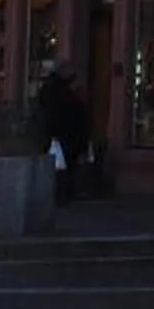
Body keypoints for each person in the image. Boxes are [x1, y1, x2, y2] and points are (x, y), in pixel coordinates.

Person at [34, 65, 90, 204]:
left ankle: (59, 193)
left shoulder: (49, 90)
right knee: (65, 165)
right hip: (65, 133)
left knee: (57, 164)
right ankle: (63, 193)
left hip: (56, 132)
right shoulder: (63, 93)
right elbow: (69, 113)